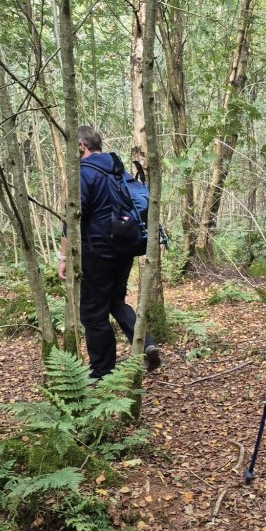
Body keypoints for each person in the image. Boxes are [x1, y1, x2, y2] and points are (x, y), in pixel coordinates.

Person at [58, 125, 160, 379]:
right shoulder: (118, 170)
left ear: (81, 146)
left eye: (74, 148)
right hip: (123, 248)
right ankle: (146, 342)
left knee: (92, 313)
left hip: (97, 251)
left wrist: (63, 257)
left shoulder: (84, 173)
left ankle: (102, 374)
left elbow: (72, 219)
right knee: (115, 302)